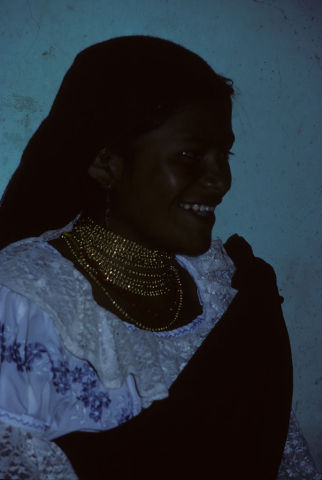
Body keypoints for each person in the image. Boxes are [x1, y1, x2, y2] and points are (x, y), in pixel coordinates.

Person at [0, 36, 319, 480]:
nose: (221, 181)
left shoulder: (232, 289)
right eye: (191, 155)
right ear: (105, 162)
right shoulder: (25, 303)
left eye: (224, 154)